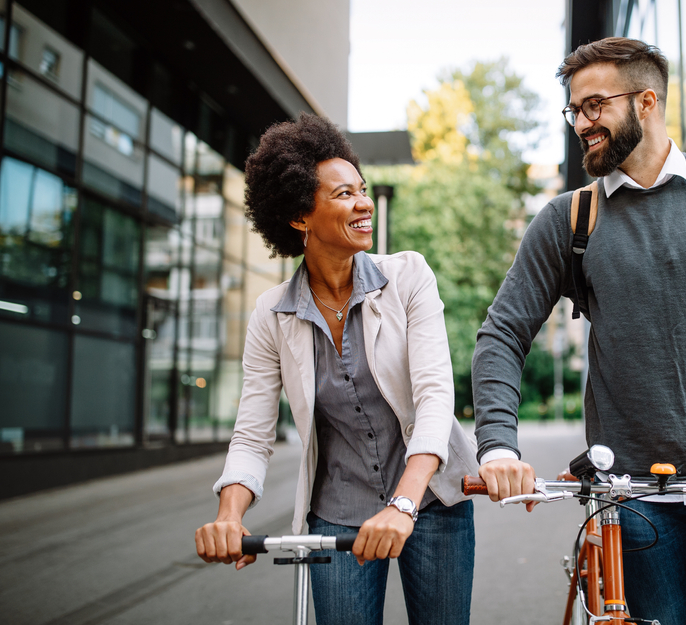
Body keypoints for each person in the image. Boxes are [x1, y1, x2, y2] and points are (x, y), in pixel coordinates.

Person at [472, 38, 686, 624]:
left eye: (595, 105)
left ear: (646, 101)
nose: (582, 123)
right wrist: (498, 444)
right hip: (633, 503)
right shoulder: (569, 219)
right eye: (575, 110)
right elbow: (502, 334)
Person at [195, 114, 479, 625]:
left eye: (363, 190)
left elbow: (436, 397)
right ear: (301, 217)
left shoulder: (408, 277)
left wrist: (403, 506)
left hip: (432, 503)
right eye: (344, 194)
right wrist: (229, 515)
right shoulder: (271, 314)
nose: (364, 203)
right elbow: (252, 433)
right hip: (338, 515)